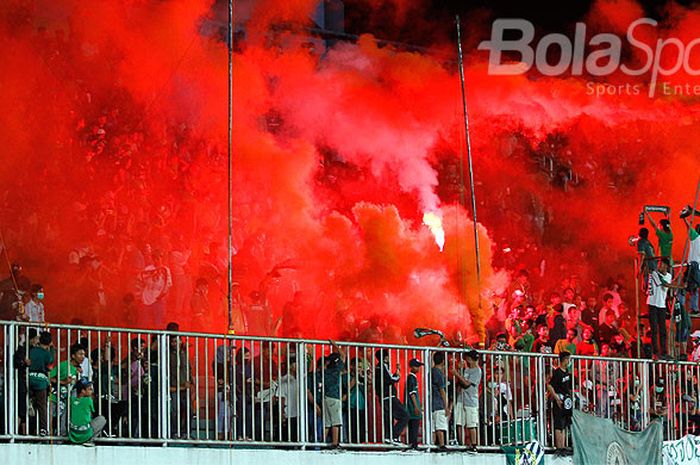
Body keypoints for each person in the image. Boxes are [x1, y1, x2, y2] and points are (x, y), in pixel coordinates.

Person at [49, 343, 86, 436]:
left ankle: (62, 435)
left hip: (66, 400)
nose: (83, 357)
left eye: (84, 354)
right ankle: (48, 437)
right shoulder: (63, 365)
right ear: (73, 355)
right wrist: (63, 382)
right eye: (80, 354)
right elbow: (49, 377)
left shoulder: (78, 369)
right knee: (51, 417)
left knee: (65, 418)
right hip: (55, 397)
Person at [374, 349, 408, 445]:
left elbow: (386, 379)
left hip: (384, 397)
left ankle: (389, 437)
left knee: (388, 417)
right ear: (385, 358)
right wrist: (398, 374)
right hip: (388, 397)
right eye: (388, 356)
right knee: (404, 416)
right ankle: (394, 436)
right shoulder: (382, 367)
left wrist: (396, 373)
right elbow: (391, 379)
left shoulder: (379, 367)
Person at [451, 350, 481, 451]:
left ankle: (473, 445)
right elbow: (459, 383)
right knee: (459, 422)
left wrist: (457, 374)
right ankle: (461, 443)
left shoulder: (477, 371)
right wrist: (459, 370)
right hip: (461, 399)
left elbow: (467, 384)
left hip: (471, 401)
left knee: (471, 424)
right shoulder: (466, 370)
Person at [547, 351, 573, 456]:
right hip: (560, 400)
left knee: (565, 424)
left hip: (567, 401)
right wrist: (556, 397)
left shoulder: (567, 372)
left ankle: (563, 445)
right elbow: (550, 385)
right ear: (564, 360)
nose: (569, 361)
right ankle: (559, 447)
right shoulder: (557, 372)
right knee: (559, 424)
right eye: (568, 359)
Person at [168, 334, 192, 439]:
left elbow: (189, 369)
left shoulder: (184, 353)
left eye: (177, 341)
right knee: (175, 411)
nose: (176, 343)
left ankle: (186, 432)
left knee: (189, 410)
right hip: (174, 386)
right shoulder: (169, 355)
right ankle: (174, 432)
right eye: (173, 341)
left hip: (185, 386)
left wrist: (191, 383)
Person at [647, 258, 672, 358]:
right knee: (654, 329)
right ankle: (655, 352)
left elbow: (665, 287)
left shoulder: (669, 276)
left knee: (663, 330)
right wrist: (680, 286)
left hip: (661, 304)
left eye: (661, 264)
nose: (659, 266)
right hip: (652, 303)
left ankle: (664, 352)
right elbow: (663, 284)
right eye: (658, 264)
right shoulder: (654, 274)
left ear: (666, 266)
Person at [68, 380, 106, 446]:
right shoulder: (88, 400)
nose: (92, 391)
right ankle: (90, 440)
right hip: (85, 435)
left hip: (72, 436)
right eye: (90, 389)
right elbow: (94, 411)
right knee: (102, 419)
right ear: (83, 391)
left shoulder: (71, 400)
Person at [323, 341, 346, 448]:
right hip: (334, 398)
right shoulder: (337, 370)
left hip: (326, 398)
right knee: (336, 422)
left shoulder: (325, 371)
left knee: (327, 423)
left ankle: (322, 442)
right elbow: (343, 355)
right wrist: (335, 345)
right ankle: (335, 443)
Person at [278, 355, 300, 443]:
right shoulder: (284, 380)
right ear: (290, 366)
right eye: (295, 364)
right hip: (289, 414)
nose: (297, 366)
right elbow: (281, 398)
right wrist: (282, 413)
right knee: (289, 439)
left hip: (299, 414)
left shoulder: (300, 379)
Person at [430, 352, 449, 450]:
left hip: (431, 404)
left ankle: (432, 445)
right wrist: (446, 406)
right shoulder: (439, 373)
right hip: (438, 404)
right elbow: (442, 390)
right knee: (440, 426)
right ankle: (441, 444)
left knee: (433, 427)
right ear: (443, 361)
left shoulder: (431, 371)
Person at [404, 358, 423, 449]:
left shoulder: (412, 377)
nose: (418, 368)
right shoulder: (411, 378)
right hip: (412, 408)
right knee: (414, 425)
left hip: (412, 407)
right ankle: (413, 444)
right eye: (416, 366)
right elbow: (412, 393)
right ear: (411, 367)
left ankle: (412, 444)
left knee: (413, 425)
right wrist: (416, 406)